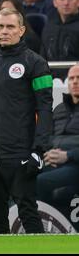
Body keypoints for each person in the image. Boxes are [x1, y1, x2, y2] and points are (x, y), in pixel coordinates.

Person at [0, 7, 53, 234]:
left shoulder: (36, 63)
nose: (4, 31)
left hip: (20, 156)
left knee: (28, 215)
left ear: (21, 30)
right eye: (0, 26)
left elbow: (45, 109)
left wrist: (39, 149)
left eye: (10, 27)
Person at [37, 64, 79, 211]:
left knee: (41, 181)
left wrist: (68, 155)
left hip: (75, 164)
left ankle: (42, 226)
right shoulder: (59, 109)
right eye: (71, 78)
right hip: (53, 161)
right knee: (21, 174)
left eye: (78, 78)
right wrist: (45, 154)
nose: (75, 82)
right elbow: (45, 137)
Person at [40, 0, 79, 79]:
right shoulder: (48, 27)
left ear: (78, 1)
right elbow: (42, 60)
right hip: (50, 82)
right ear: (55, 2)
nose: (66, 2)